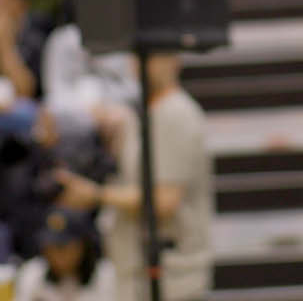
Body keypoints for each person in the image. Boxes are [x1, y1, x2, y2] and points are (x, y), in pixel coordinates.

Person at [54, 54, 212, 301]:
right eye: (140, 56)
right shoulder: (144, 112)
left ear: (175, 60)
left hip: (171, 274)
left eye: (154, 56)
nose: (145, 64)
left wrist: (96, 195)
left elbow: (164, 200)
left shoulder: (175, 112)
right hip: (138, 270)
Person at [13, 207, 116, 301]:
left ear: (82, 246)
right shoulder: (32, 273)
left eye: (61, 247)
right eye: (49, 247)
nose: (54, 255)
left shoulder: (105, 274)